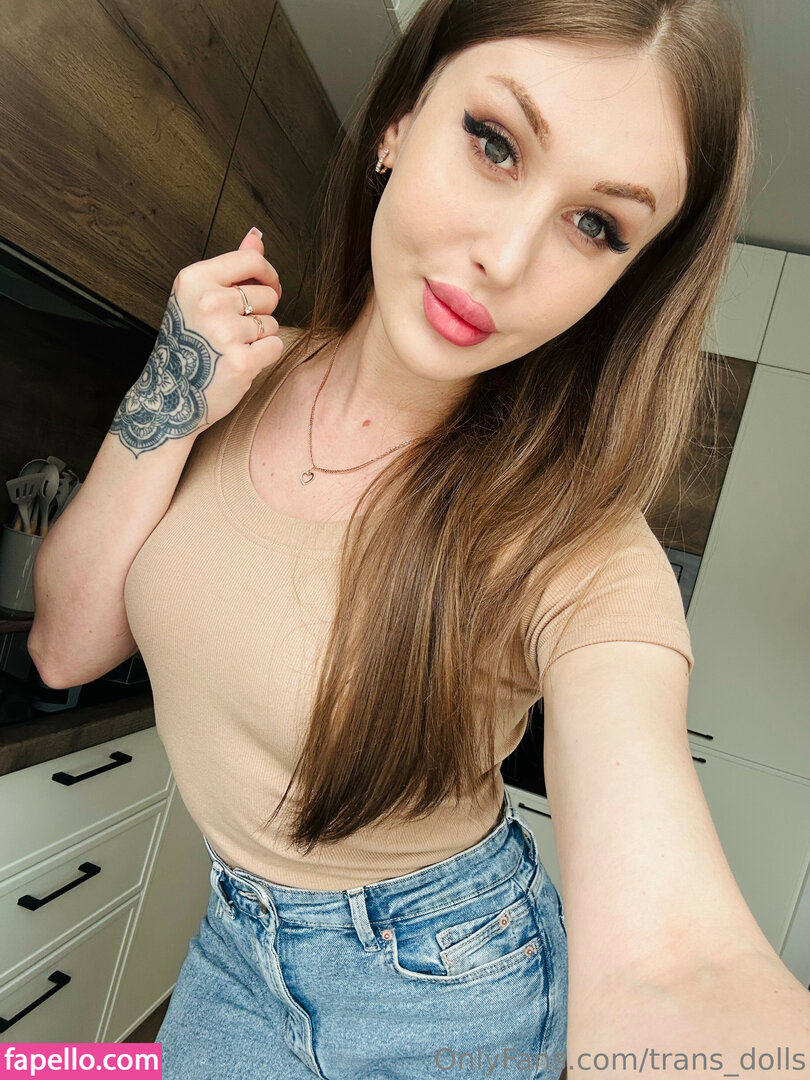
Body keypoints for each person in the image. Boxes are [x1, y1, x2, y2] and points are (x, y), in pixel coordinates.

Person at [29, 0, 810, 1076]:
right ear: (398, 122)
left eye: (596, 225)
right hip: (235, 948)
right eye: (495, 142)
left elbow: (674, 954)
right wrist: (171, 387)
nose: (505, 256)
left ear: (624, 282)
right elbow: (63, 647)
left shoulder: (577, 544)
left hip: (453, 995)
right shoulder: (229, 383)